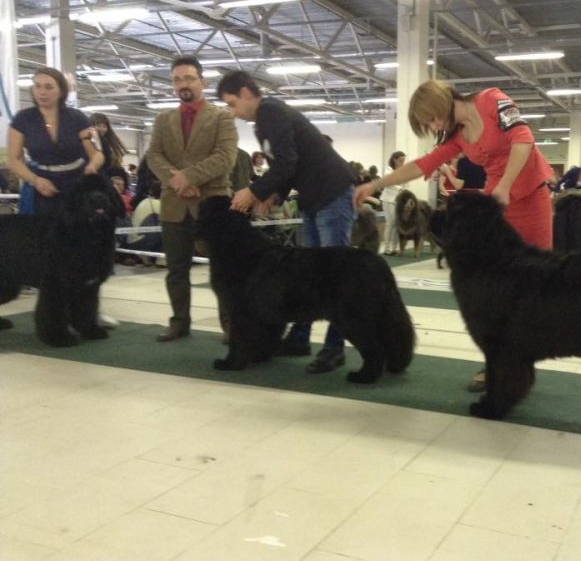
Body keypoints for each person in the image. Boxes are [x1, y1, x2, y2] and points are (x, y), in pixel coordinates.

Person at [353, 79, 554, 391]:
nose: (434, 125)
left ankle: (522, 357)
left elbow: (523, 140)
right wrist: (376, 184)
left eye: (432, 117)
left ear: (443, 101)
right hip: (498, 206)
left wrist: (505, 185)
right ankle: (498, 364)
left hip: (529, 197)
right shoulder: (458, 136)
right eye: (428, 123)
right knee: (495, 290)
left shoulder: (492, 100)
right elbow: (423, 165)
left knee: (538, 283)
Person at [218, 70, 357, 374]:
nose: (233, 112)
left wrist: (253, 191)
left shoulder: (271, 113)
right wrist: (274, 196)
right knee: (307, 275)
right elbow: (287, 166)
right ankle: (299, 337)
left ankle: (334, 349)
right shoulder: (264, 122)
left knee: (335, 278)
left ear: (244, 92)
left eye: (231, 103)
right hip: (312, 197)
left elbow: (288, 162)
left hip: (332, 194)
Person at [147, 55, 238, 342]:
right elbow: (153, 155)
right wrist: (176, 179)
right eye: (176, 79)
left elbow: (225, 157)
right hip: (174, 205)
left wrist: (188, 177)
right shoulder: (163, 119)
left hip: (212, 204)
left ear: (202, 82)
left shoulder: (222, 116)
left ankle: (231, 325)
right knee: (176, 269)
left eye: (188, 78)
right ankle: (179, 322)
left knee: (224, 269)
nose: (182, 84)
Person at [6, 67, 104, 218]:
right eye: (37, 86)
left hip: (77, 184)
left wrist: (93, 165)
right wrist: (35, 180)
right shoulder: (22, 119)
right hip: (43, 186)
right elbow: (13, 159)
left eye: (49, 87)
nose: (42, 92)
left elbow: (97, 154)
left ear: (61, 91)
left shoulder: (78, 118)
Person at [380, 150, 406, 256]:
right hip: (388, 200)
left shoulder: (401, 170)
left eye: (403, 161)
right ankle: (386, 248)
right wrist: (400, 188)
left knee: (397, 224)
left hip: (397, 200)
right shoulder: (388, 170)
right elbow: (388, 183)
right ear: (394, 160)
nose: (402, 163)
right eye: (400, 161)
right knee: (391, 223)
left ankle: (395, 248)